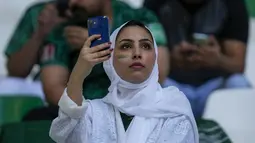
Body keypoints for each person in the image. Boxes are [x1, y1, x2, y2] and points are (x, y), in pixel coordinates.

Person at [49, 20, 199, 143]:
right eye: (126, 46)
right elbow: (65, 133)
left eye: (146, 46)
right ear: (110, 59)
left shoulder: (174, 108)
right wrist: (79, 72)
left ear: (155, 56)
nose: (137, 54)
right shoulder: (94, 112)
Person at [40, 0, 169, 106]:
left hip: (136, 103)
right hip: (83, 108)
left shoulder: (141, 18)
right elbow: (52, 88)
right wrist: (87, 112)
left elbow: (159, 72)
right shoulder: (64, 31)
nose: (73, 3)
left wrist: (102, 46)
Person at [144, 0, 250, 118]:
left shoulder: (231, 3)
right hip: (172, 84)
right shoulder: (155, 3)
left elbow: (238, 65)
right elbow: (144, 60)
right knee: (144, 85)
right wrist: (171, 59)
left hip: (214, 86)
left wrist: (217, 59)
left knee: (239, 83)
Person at [0, 1, 65, 99]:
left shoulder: (94, 15)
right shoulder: (42, 12)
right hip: (47, 95)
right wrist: (40, 33)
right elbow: (15, 72)